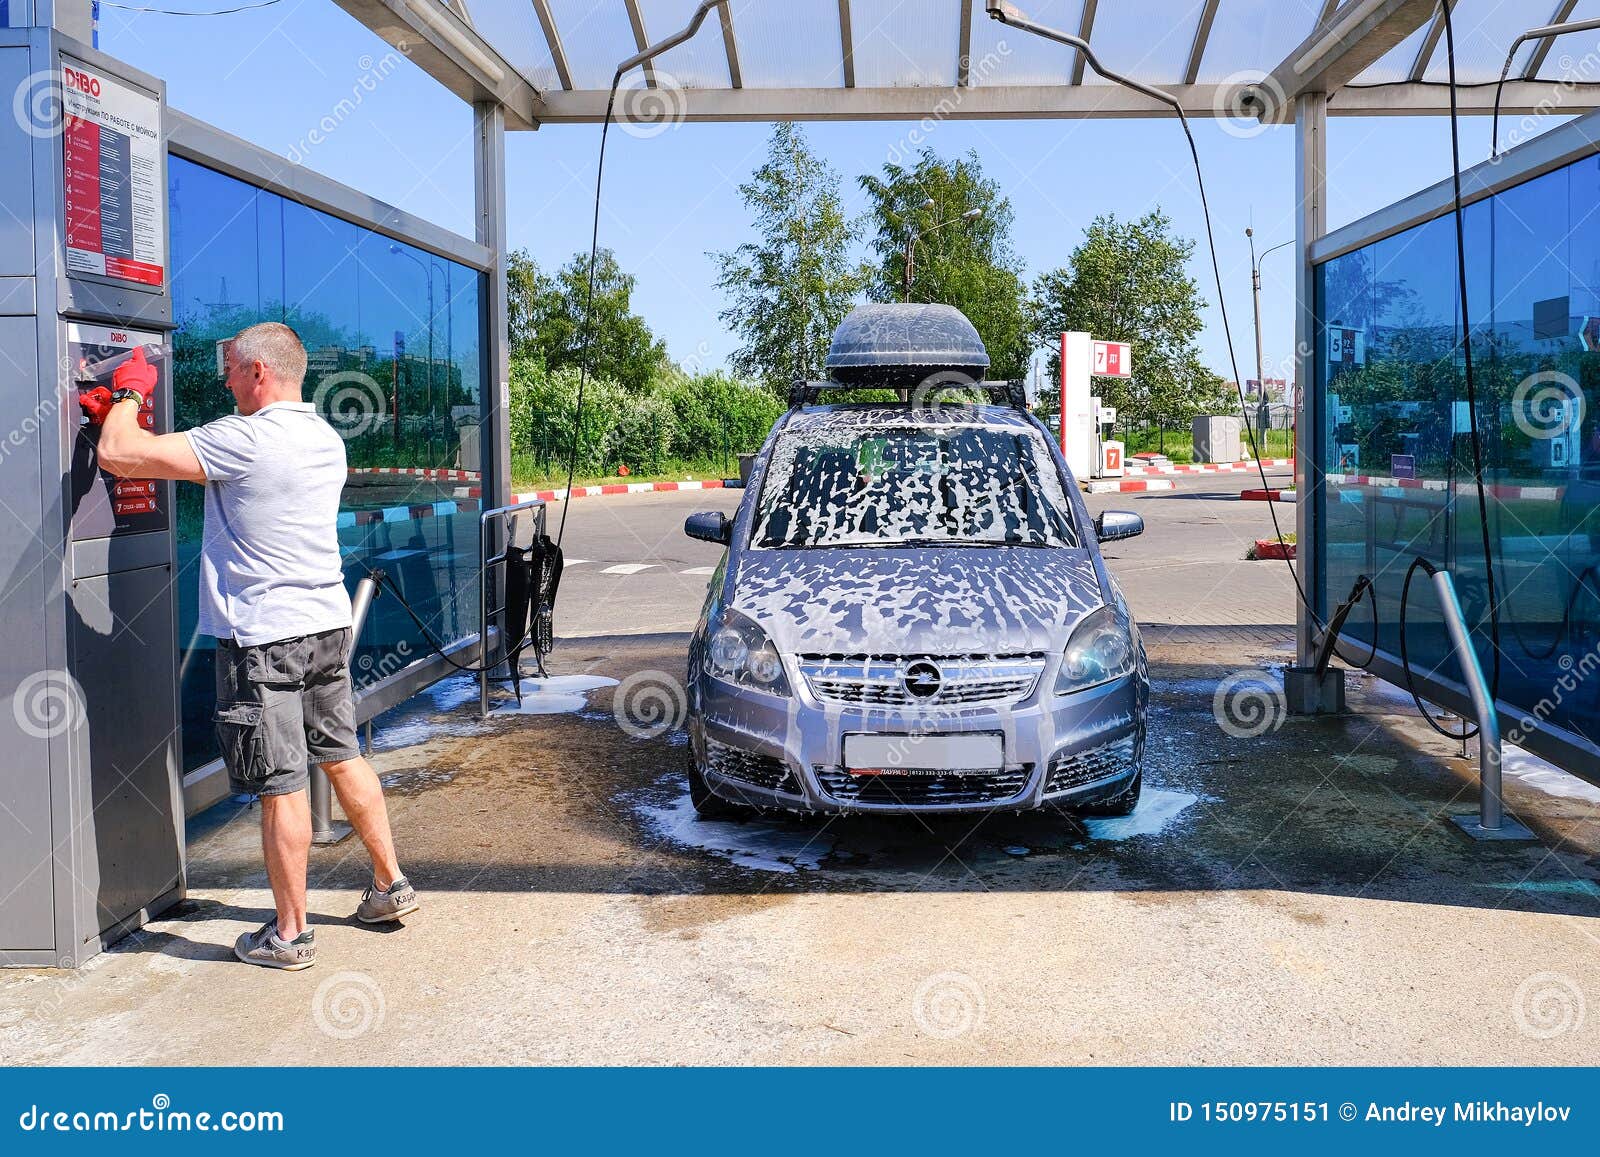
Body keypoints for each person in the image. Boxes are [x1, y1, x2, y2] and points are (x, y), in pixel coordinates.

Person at [92, 322, 419, 971]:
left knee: (281, 784)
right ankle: (389, 883)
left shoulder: (240, 439)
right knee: (342, 753)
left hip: (263, 637)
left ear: (260, 374)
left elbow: (119, 454)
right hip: (325, 623)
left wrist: (124, 394)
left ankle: (290, 934)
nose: (224, 379)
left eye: (233, 368)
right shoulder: (325, 438)